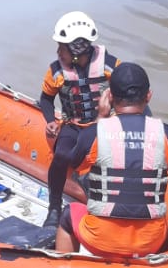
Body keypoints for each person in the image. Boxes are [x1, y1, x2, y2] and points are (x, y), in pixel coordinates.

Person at [55, 63, 168, 258]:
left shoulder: (94, 134)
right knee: (162, 218)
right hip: (151, 243)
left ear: (109, 97)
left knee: (68, 215)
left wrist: (101, 117)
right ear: (148, 96)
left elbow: (74, 169)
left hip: (99, 240)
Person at [38, 11, 126, 227]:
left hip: (106, 125)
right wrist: (50, 119)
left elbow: (128, 95)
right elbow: (46, 98)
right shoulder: (56, 71)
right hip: (74, 125)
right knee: (60, 157)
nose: (58, 51)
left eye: (62, 47)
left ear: (77, 50)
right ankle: (54, 207)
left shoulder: (111, 66)